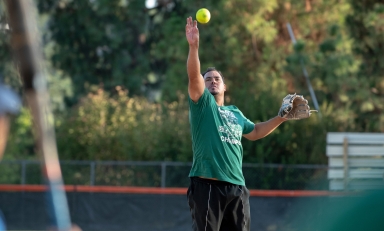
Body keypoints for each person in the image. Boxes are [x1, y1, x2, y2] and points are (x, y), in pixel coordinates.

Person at [185, 16, 313, 231]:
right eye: (208, 79)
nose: (212, 81)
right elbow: (193, 76)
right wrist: (194, 46)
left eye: (217, 79)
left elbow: (254, 132)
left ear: (225, 86)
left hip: (237, 187)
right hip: (207, 185)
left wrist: (281, 117)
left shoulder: (235, 113)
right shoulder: (203, 105)